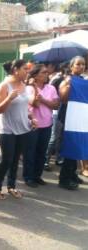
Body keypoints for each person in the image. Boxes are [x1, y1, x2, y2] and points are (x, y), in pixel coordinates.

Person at [0, 59, 35, 200]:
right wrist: (9, 99)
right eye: (24, 69)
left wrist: (31, 118)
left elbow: (23, 108)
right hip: (8, 131)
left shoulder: (23, 85)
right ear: (15, 69)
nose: (27, 72)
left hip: (23, 129)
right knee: (7, 160)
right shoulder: (4, 86)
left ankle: (11, 186)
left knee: (16, 161)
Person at [23, 64, 59, 187]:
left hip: (47, 124)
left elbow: (56, 105)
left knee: (41, 152)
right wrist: (34, 86)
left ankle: (37, 176)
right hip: (33, 125)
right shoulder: (28, 88)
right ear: (36, 75)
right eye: (43, 72)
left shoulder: (51, 88)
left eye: (46, 72)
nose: (46, 74)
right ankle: (28, 177)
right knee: (30, 152)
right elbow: (35, 103)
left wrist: (44, 100)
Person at [58, 56, 86, 190]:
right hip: (68, 119)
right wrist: (69, 84)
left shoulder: (83, 81)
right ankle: (64, 178)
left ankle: (72, 174)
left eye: (83, 64)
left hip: (79, 119)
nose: (81, 67)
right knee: (70, 147)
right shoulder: (66, 80)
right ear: (71, 67)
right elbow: (62, 98)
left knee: (76, 147)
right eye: (78, 64)